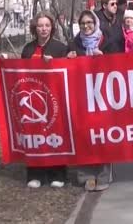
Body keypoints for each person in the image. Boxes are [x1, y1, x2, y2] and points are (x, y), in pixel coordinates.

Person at [21, 12, 69, 188]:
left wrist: (55, 63)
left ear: (52, 27)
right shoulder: (28, 48)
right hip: (32, 98)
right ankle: (35, 174)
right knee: (34, 135)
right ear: (35, 28)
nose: (43, 29)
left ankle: (58, 173)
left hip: (53, 98)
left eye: (47, 25)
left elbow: (66, 72)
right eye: (40, 25)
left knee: (55, 135)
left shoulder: (59, 48)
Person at [67, 10, 112, 191]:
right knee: (83, 134)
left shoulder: (106, 41)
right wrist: (69, 59)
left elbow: (119, 64)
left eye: (90, 23)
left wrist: (104, 59)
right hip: (81, 96)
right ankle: (86, 175)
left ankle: (103, 174)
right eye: (83, 23)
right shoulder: (74, 43)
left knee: (102, 134)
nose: (86, 26)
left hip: (103, 95)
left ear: (96, 23)